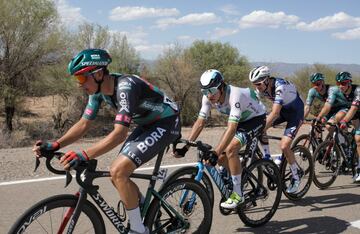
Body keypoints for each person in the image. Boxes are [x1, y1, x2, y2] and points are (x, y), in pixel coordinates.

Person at [33, 48, 180, 234]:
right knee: (116, 175)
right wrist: (56, 144)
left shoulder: (126, 87)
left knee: (118, 171)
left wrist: (84, 154)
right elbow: (84, 124)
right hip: (146, 124)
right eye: (77, 79)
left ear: (99, 73)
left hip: (166, 123)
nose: (79, 84)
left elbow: (119, 134)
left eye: (81, 78)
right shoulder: (97, 91)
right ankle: (148, 209)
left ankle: (138, 230)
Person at [173, 69, 267, 209]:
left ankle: (238, 194)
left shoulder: (235, 95)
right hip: (240, 120)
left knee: (230, 149)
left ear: (222, 86)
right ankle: (238, 178)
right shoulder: (208, 97)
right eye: (205, 91)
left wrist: (215, 152)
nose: (209, 95)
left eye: (212, 90)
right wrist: (186, 146)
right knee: (222, 159)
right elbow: (200, 122)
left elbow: (232, 128)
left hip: (256, 119)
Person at [249, 65, 304, 193]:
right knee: (259, 123)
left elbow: (274, 113)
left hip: (296, 113)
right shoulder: (261, 88)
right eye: (254, 84)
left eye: (258, 84)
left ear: (267, 80)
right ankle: (267, 158)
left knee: (284, 146)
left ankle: (296, 176)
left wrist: (261, 128)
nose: (256, 87)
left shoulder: (280, 87)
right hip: (283, 110)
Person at [319, 72, 360, 181]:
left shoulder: (357, 91)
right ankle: (346, 143)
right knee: (334, 124)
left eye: (343, 83)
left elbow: (354, 109)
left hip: (356, 112)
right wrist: (319, 117)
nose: (341, 85)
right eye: (338, 83)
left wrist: (345, 121)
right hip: (352, 114)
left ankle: (359, 168)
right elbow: (327, 105)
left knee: (358, 139)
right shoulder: (335, 90)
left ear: (350, 83)